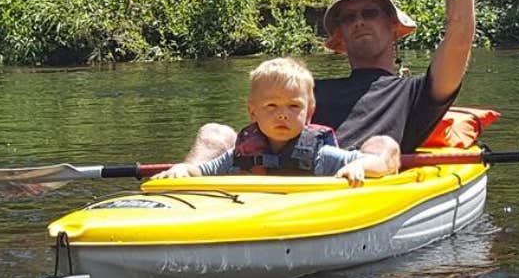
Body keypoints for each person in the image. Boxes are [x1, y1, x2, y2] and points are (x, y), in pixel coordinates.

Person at [156, 0, 478, 177]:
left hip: (350, 183)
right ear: (339, 35)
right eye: (348, 17)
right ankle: (184, 178)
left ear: (393, 25)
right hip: (279, 173)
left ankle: (360, 169)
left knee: (381, 143)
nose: (359, 21)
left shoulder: (416, 94)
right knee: (215, 133)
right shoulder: (305, 92)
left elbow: (459, 36)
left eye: (370, 12)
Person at [164, 57, 395, 186]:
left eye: (294, 106)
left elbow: (379, 164)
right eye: (271, 106)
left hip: (303, 215)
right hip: (257, 215)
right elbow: (202, 171)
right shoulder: (240, 153)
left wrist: (358, 166)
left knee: (383, 145)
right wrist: (184, 169)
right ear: (252, 112)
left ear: (309, 113)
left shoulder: (320, 155)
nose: (282, 114)